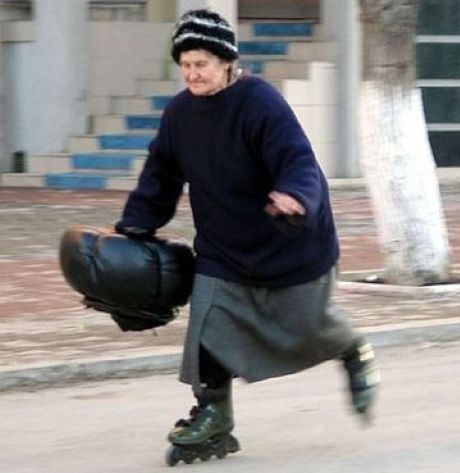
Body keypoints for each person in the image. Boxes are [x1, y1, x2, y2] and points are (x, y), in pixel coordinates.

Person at [115, 8, 380, 462]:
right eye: (185, 65)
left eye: (201, 64)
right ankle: (214, 415)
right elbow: (160, 174)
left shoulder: (260, 103)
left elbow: (297, 160)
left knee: (308, 327)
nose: (192, 73)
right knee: (208, 327)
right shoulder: (179, 115)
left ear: (226, 62)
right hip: (223, 248)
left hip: (288, 240)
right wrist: (136, 225)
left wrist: (295, 197)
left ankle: (353, 350)